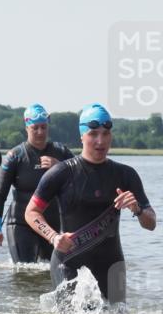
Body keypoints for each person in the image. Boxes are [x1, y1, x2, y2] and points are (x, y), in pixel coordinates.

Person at [25, 104, 156, 303]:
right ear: (82, 137)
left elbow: (151, 223)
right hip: (68, 262)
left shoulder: (125, 174)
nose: (100, 141)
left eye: (106, 133)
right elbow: (31, 212)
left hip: (112, 265)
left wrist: (137, 209)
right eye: (93, 133)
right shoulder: (61, 172)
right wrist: (53, 237)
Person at [0, 104, 75, 262]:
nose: (40, 132)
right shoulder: (15, 156)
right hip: (20, 223)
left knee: (51, 272)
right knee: (25, 272)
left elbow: (80, 179)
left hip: (51, 225)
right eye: (35, 128)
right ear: (26, 128)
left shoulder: (61, 152)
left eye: (44, 127)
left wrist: (60, 166)